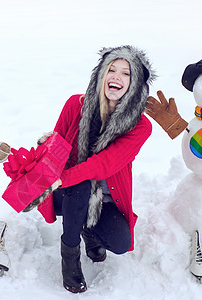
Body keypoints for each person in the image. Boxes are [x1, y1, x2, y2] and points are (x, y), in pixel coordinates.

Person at [36, 45, 155, 293]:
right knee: (78, 185)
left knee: (120, 242)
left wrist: (65, 177)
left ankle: (86, 228)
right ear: (100, 75)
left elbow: (104, 165)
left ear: (135, 85)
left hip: (104, 199)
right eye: (111, 69)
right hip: (66, 193)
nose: (116, 77)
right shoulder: (74, 105)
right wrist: (37, 159)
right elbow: (57, 145)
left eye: (126, 73)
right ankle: (69, 255)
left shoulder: (140, 126)